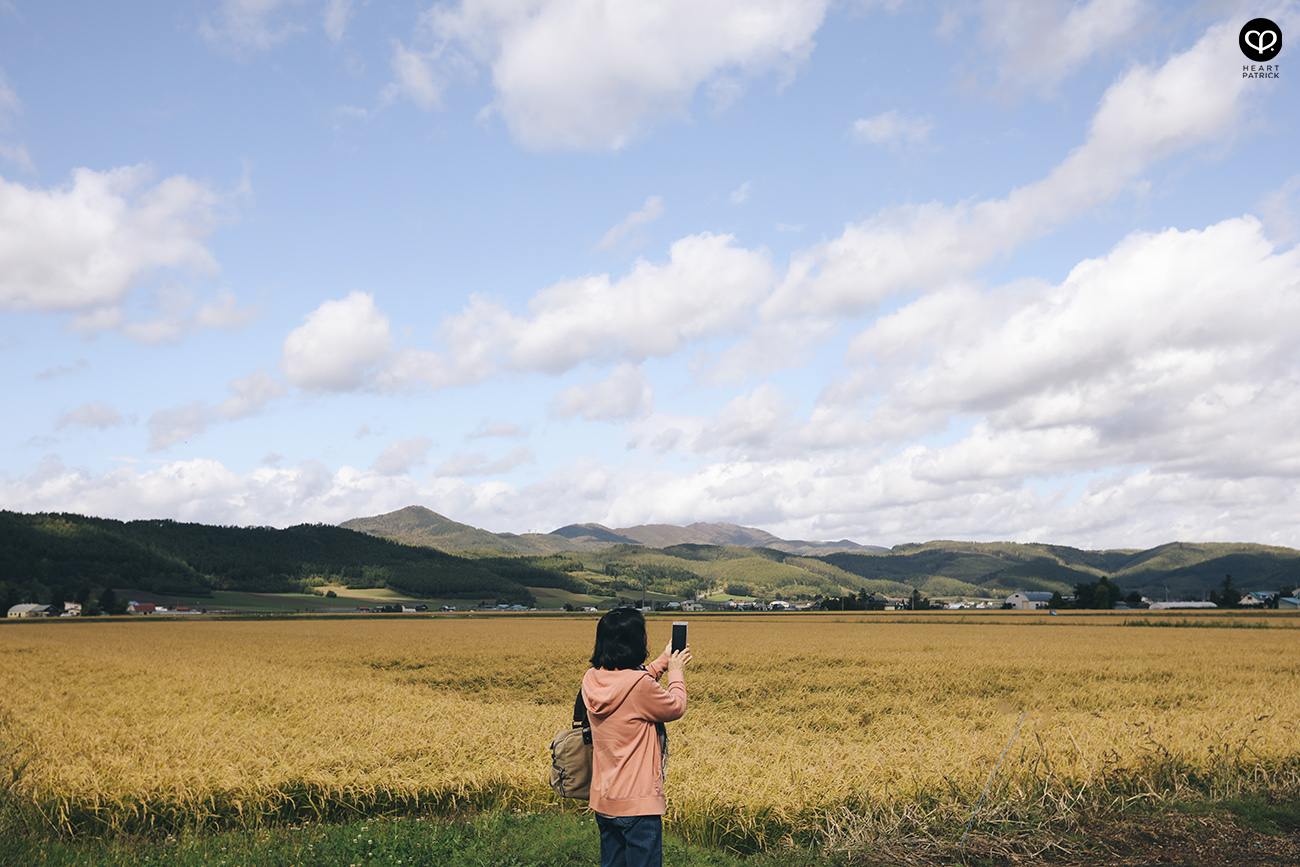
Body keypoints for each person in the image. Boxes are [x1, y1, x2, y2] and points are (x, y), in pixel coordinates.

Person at [583, 608, 691, 867]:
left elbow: (632, 684)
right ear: (636, 642)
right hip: (638, 806)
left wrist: (663, 660)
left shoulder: (591, 678)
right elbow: (675, 706)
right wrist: (676, 671)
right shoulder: (640, 686)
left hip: (605, 801)